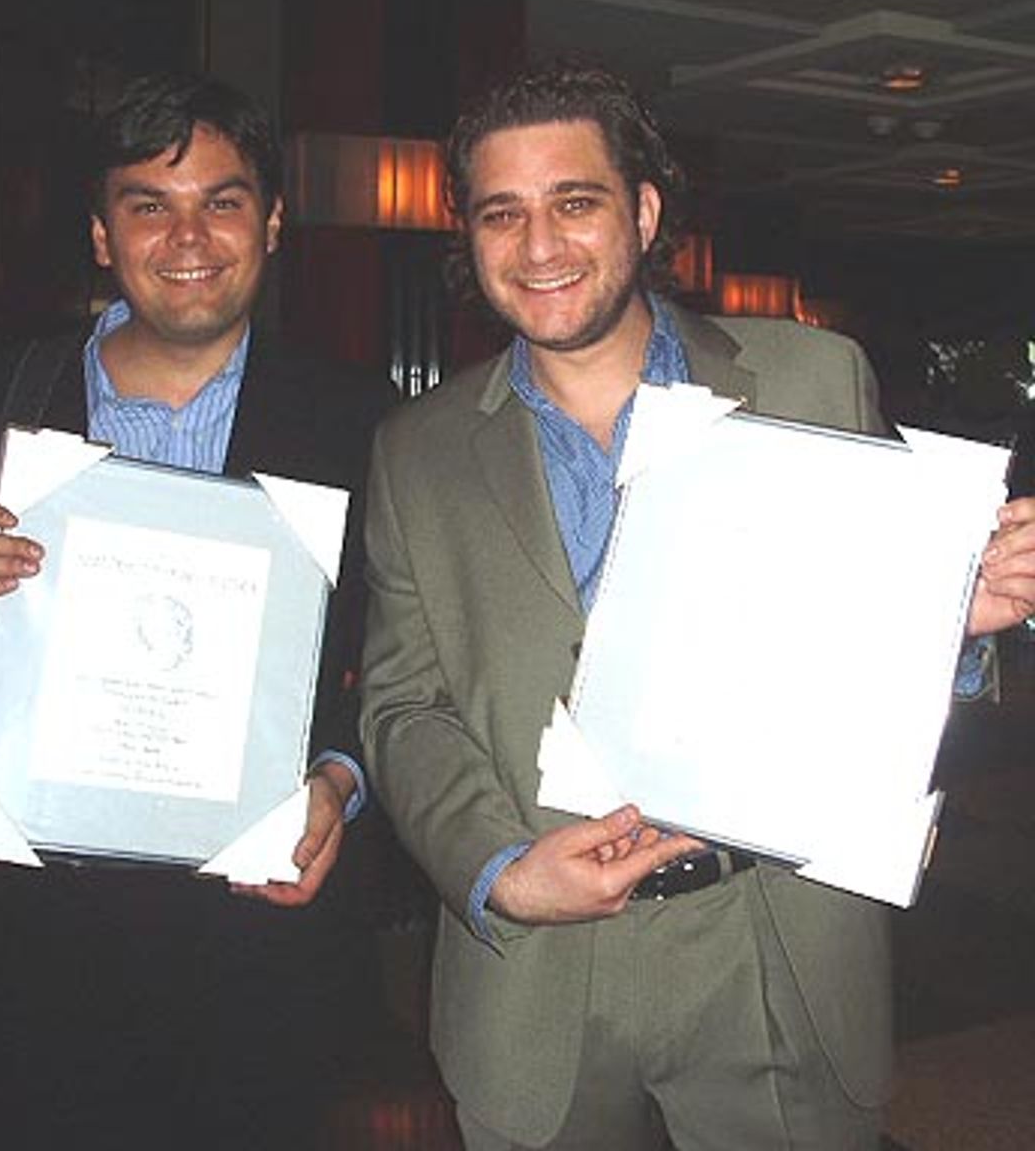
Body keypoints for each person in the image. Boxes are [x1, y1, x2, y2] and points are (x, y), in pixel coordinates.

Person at [359, 59, 1035, 1151]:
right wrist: (497, 868)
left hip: (775, 936)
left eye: (574, 202)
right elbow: (402, 707)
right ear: (469, 236)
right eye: (503, 214)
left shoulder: (816, 377)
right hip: (539, 966)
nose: (540, 248)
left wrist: (951, 622)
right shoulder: (414, 451)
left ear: (644, 210)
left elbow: (875, 631)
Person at [0, 72, 393, 1150]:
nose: (188, 235)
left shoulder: (367, 429)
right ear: (102, 235)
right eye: (147, 203)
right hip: (38, 949)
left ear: (273, 222)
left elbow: (405, 663)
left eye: (222, 199)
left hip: (261, 950)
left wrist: (340, 786)